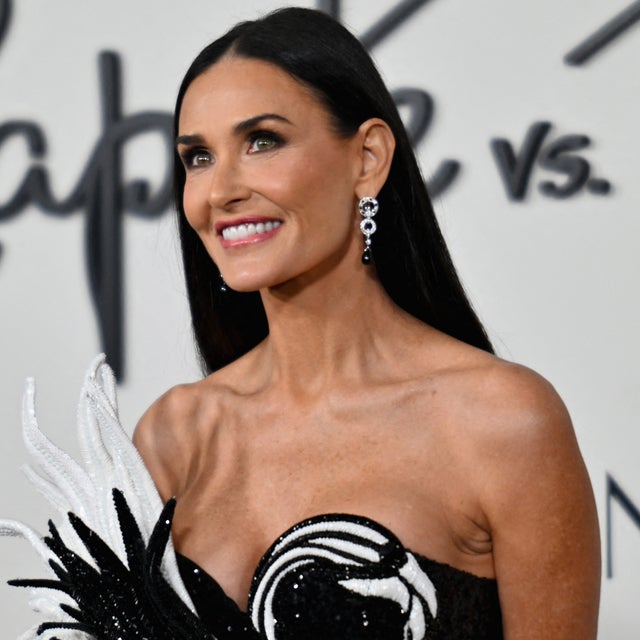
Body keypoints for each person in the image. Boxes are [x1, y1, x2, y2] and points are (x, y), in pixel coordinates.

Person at [3, 7, 600, 640]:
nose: (219, 191)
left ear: (367, 158)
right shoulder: (176, 436)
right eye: (198, 157)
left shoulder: (502, 424)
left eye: (262, 142)